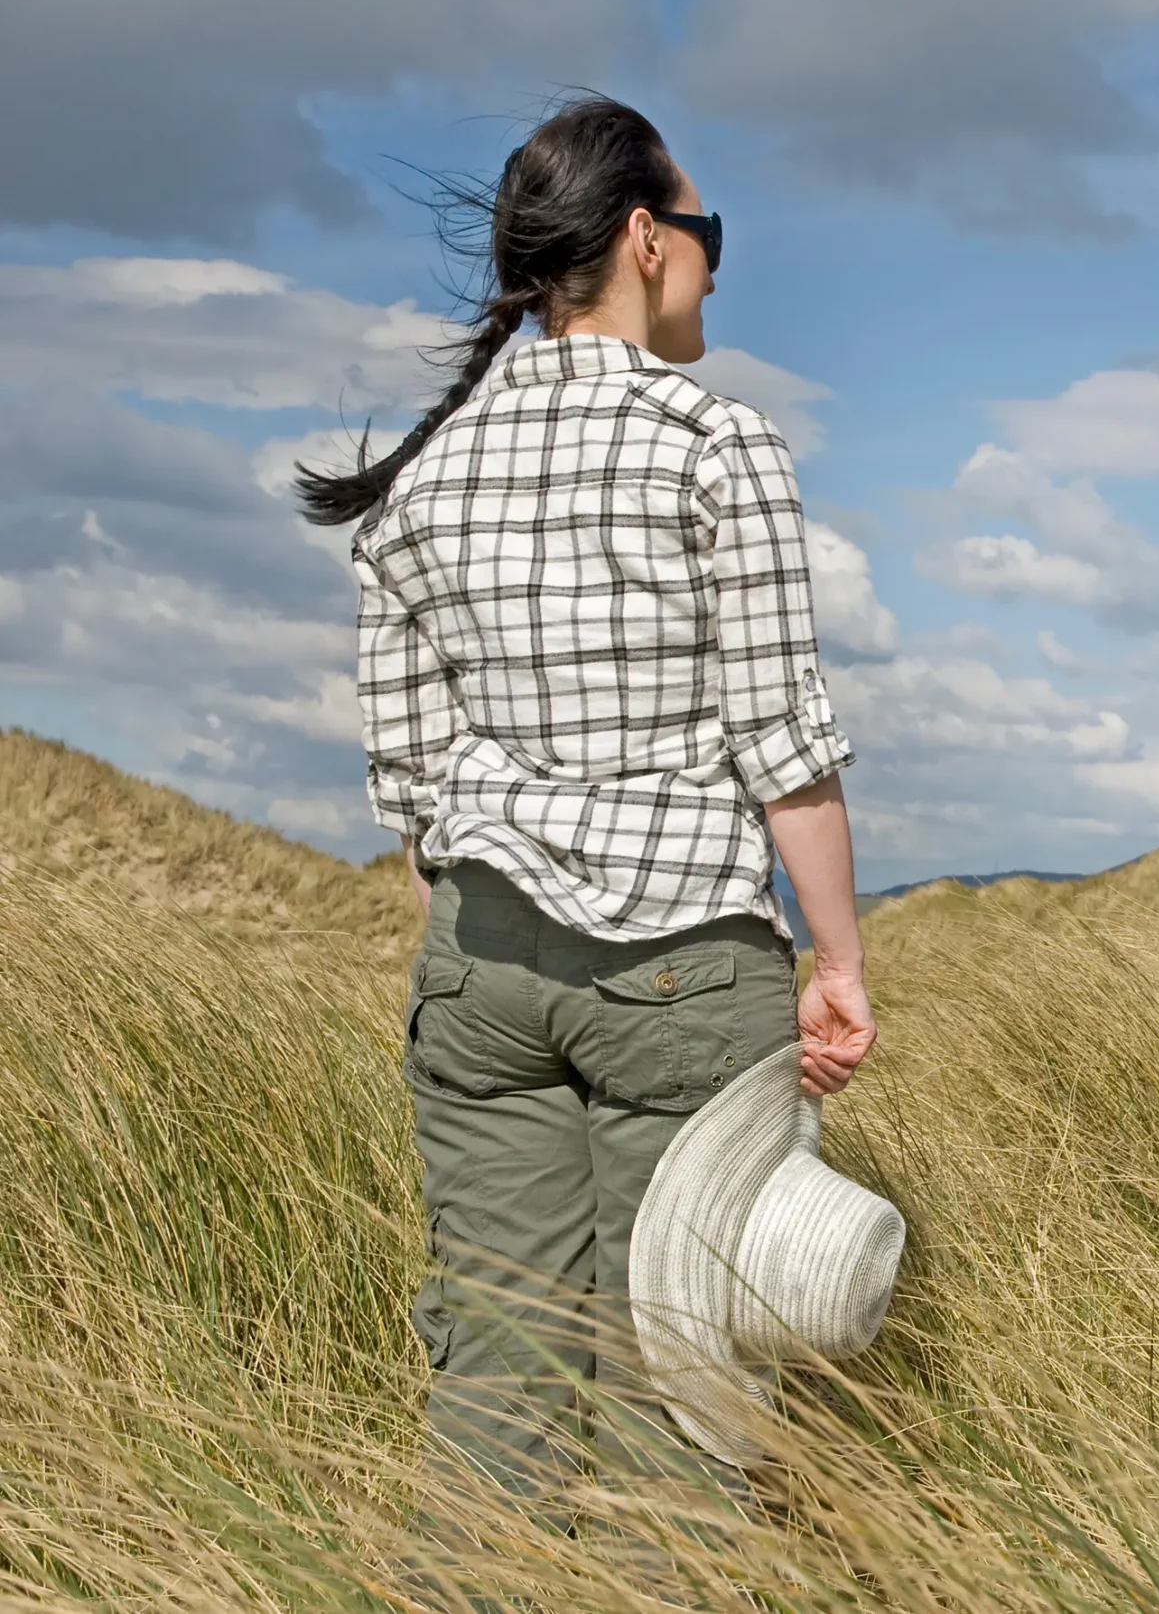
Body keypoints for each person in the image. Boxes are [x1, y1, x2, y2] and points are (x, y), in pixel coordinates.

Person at [296, 95, 875, 1498]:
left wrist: (498, 919)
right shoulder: (714, 443)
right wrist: (840, 961)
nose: (713, 264)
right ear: (641, 238)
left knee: (497, 1362)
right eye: (705, 232)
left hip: (481, 967)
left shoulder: (423, 479)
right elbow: (780, 744)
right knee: (678, 1381)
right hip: (680, 959)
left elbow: (413, 783)